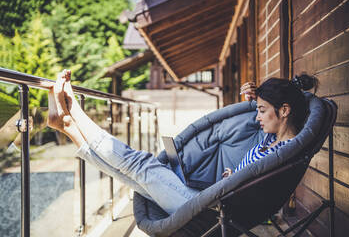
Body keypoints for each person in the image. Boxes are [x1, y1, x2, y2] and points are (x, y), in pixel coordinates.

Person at [47, 70, 317, 214]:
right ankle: (68, 127)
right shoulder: (272, 138)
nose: (257, 116)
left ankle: (75, 112)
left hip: (211, 208)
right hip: (211, 196)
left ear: (284, 111)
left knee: (141, 165)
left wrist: (232, 180)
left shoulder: (285, 151)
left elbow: (254, 188)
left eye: (262, 110)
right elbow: (252, 161)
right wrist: (254, 99)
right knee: (132, 176)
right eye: (257, 109)